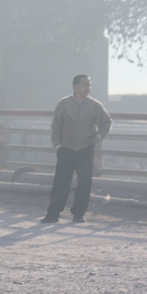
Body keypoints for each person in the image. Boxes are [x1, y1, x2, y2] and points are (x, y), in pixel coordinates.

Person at [41, 74, 112, 224]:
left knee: (84, 183)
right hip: (66, 148)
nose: (88, 87)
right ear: (76, 86)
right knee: (61, 182)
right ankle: (53, 213)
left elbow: (106, 122)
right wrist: (58, 145)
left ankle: (78, 214)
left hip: (85, 149)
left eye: (89, 84)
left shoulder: (94, 106)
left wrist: (98, 137)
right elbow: (56, 126)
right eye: (84, 84)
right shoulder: (64, 104)